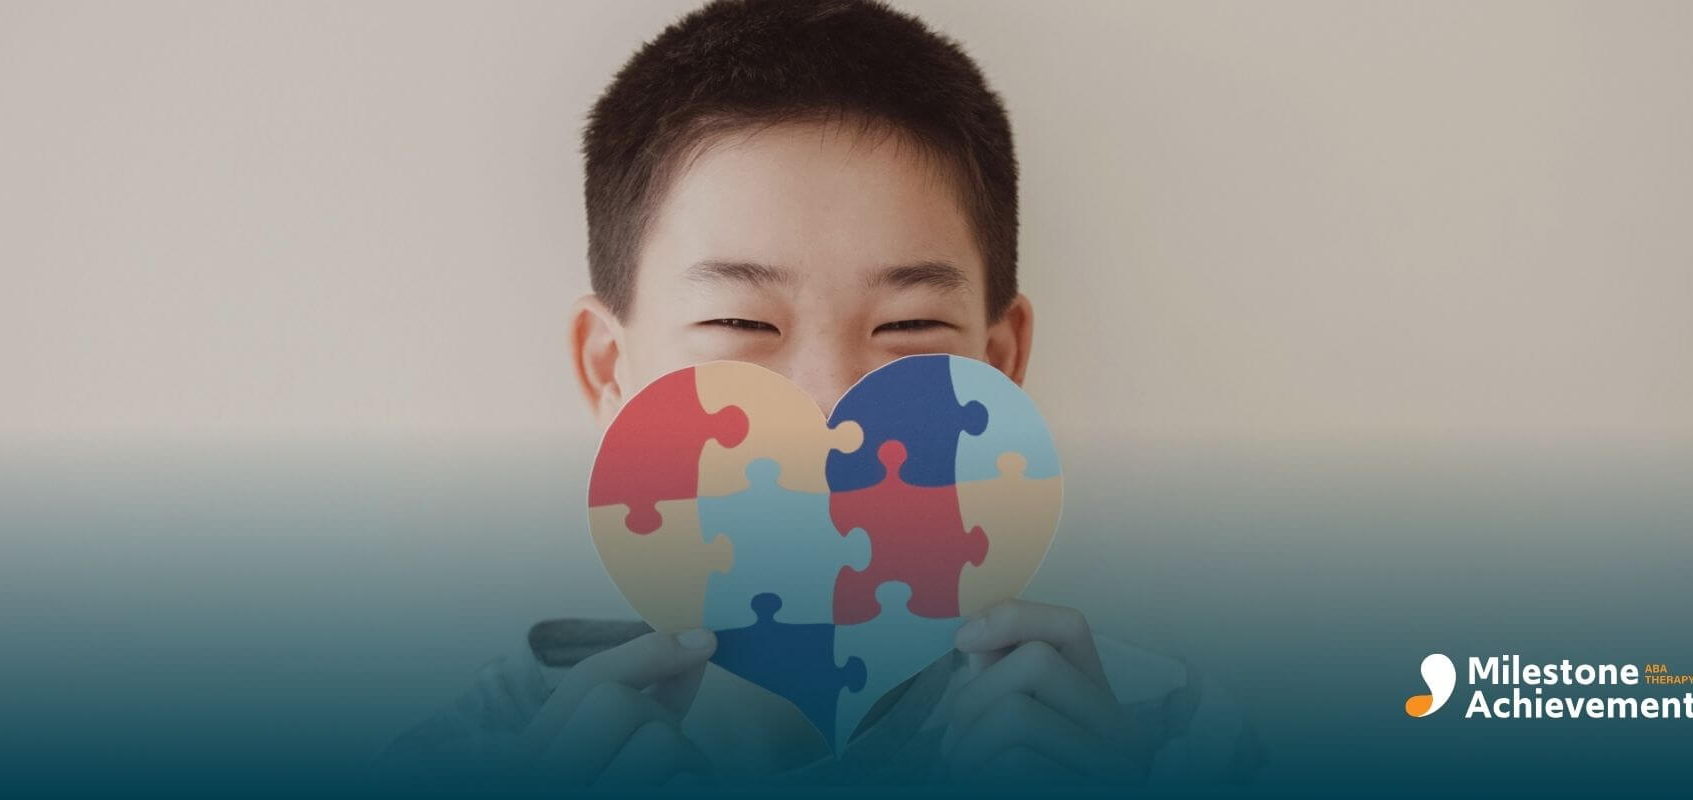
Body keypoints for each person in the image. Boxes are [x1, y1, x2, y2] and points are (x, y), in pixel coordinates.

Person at [379, 0, 1262, 787]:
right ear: (610, 370)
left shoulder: (1175, 742)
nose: (832, 406)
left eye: (910, 328)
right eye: (742, 327)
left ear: (997, 366)